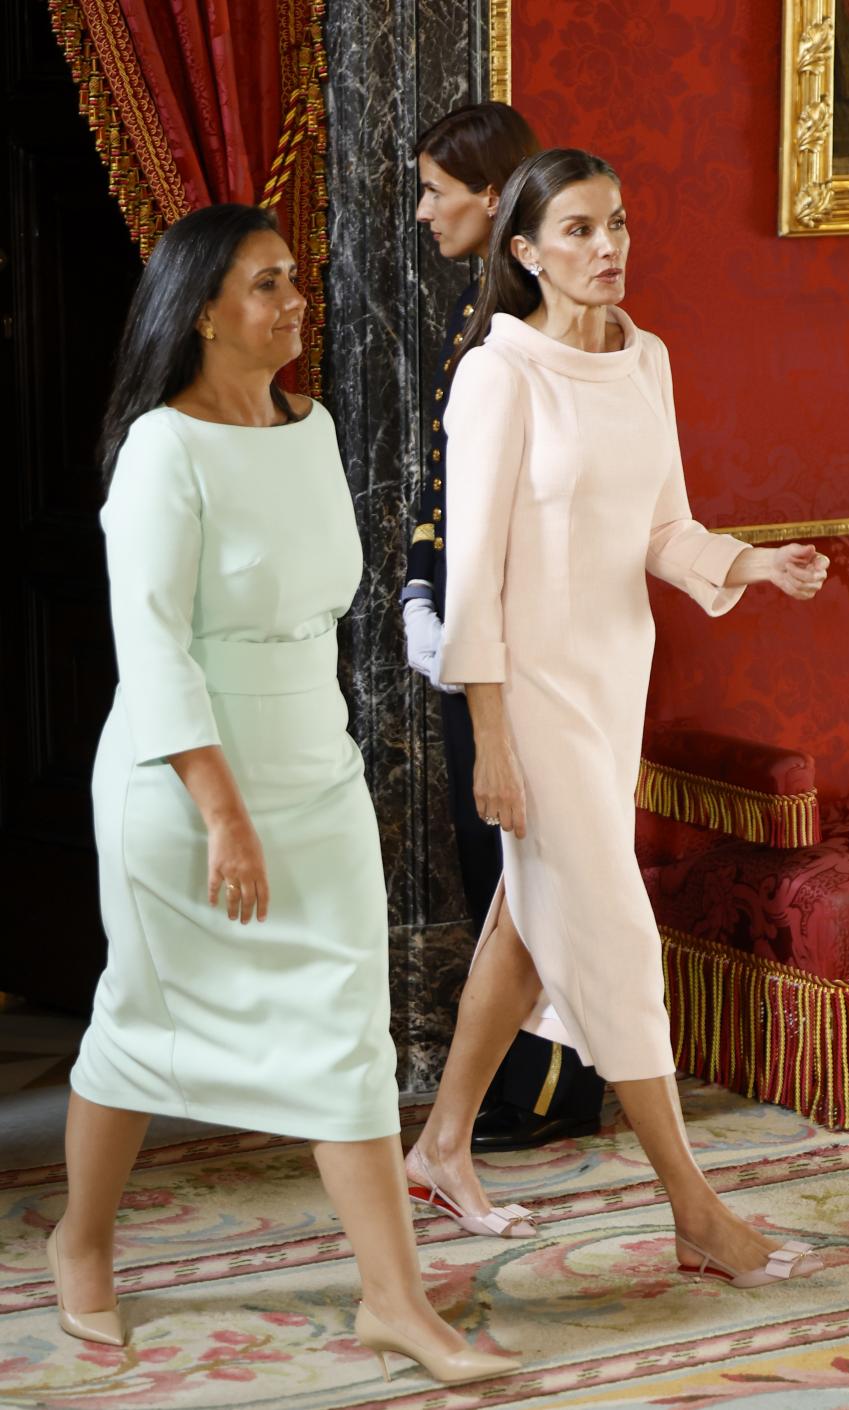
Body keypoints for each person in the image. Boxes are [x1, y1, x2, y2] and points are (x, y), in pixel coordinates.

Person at [46, 203, 517, 1386]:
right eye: (267, 285)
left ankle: (393, 1300)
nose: (294, 299)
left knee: (347, 1038)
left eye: (292, 278)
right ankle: (82, 1241)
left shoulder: (308, 425)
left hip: (317, 773)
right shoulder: (160, 450)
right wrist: (222, 815)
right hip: (185, 791)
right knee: (141, 1024)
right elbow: (153, 653)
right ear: (202, 312)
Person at [404, 150, 829, 1289]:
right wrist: (490, 737)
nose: (609, 247)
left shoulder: (647, 361)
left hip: (611, 681)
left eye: (620, 225)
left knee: (527, 918)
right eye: (581, 230)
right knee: (611, 931)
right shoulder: (498, 375)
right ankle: (694, 1209)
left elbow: (661, 530)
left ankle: (440, 1146)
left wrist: (753, 562)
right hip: (527, 691)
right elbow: (475, 578)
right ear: (526, 252)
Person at [403, 101, 607, 1157]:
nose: (424, 210)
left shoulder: (527, 336)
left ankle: (550, 1088)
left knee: (525, 869)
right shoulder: (474, 321)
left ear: (494, 200)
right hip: (471, 629)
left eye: (437, 190)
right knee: (496, 868)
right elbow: (448, 492)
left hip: (524, 647)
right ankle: (518, 1083)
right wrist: (417, 592)